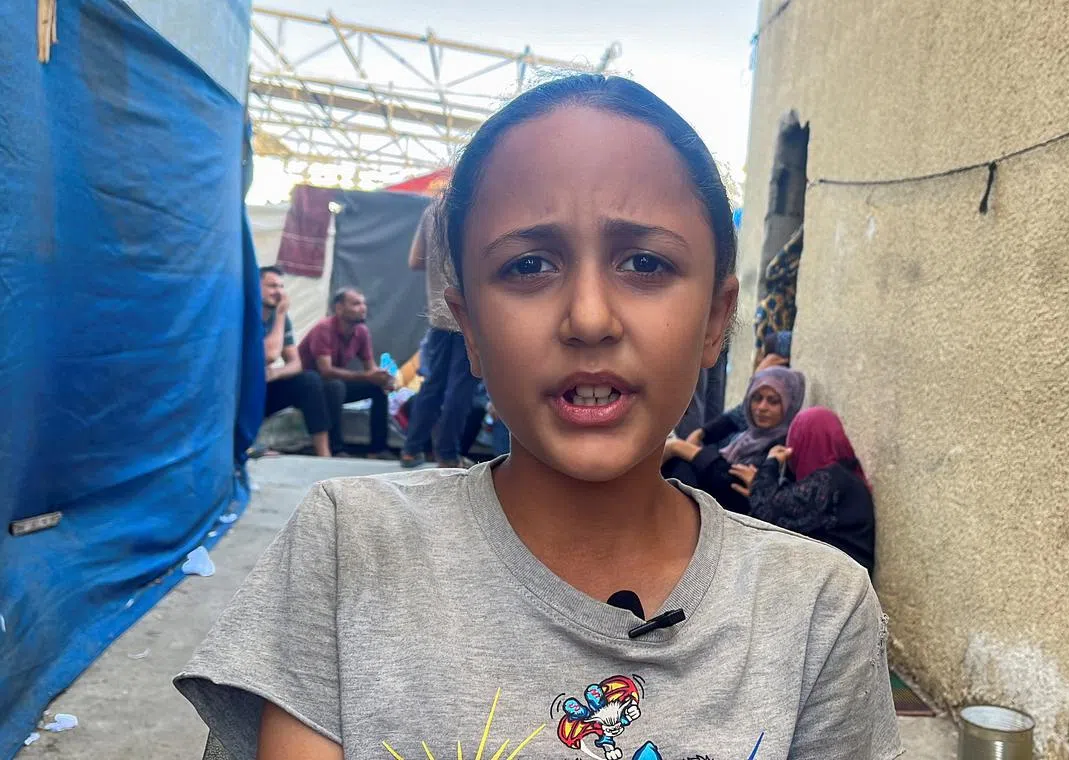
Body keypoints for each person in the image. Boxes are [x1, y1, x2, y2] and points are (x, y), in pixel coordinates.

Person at [176, 75, 901, 760]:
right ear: (471, 329)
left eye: (645, 264)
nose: (589, 318)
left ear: (716, 319)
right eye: (528, 266)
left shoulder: (816, 609)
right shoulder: (351, 546)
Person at [733, 407, 877, 574]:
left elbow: (769, 512)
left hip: (838, 588)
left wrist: (770, 466)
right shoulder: (844, 479)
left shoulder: (831, 480)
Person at [400, 200, 480, 469]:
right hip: (467, 311)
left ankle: (411, 450)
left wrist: (438, 268)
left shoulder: (432, 210)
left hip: (437, 314)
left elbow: (414, 261)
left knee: (432, 384)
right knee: (462, 387)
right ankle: (447, 454)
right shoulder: (473, 202)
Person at [662, 365, 804, 513]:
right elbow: (726, 422)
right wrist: (698, 436)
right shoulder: (746, 436)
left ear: (789, 405)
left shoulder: (782, 448)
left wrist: (679, 448)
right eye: (756, 398)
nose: (762, 407)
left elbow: (732, 484)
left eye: (773, 401)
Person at [297, 288, 392, 457]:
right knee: (335, 386)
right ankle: (336, 448)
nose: (363, 308)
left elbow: (370, 368)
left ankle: (377, 449)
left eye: (363, 303)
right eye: (356, 304)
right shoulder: (323, 328)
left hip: (334, 383)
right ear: (339, 308)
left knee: (377, 388)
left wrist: (383, 378)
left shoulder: (361, 331)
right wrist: (367, 376)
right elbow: (325, 371)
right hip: (310, 389)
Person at [259, 267, 332, 457]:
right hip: (240, 389)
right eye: (272, 286)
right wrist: (281, 314)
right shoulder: (247, 314)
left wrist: (276, 373)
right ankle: (250, 444)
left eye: (282, 286)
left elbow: (295, 363)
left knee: (309, 380)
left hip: (263, 387)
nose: (279, 292)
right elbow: (269, 355)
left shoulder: (280, 318)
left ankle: (324, 452)